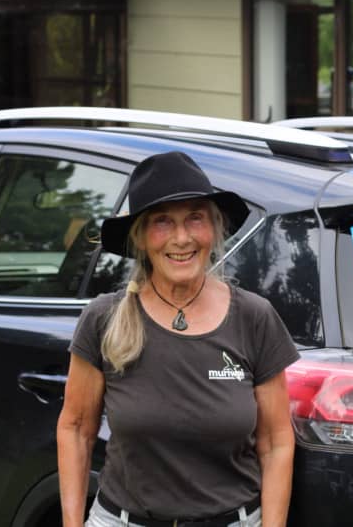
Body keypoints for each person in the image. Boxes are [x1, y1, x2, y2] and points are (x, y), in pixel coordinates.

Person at [57, 151, 299, 527]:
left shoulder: (254, 317)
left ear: (214, 228)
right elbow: (75, 430)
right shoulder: (104, 318)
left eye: (195, 218)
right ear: (140, 236)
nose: (182, 238)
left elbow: (277, 441)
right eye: (163, 222)